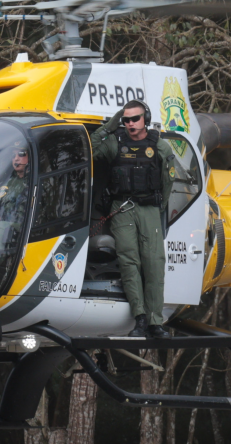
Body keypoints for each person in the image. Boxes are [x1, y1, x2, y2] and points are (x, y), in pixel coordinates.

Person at [91, 100, 174, 338]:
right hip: (122, 208)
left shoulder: (159, 146)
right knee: (130, 262)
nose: (130, 124)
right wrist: (109, 126)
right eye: (126, 120)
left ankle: (155, 322)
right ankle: (139, 318)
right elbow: (91, 149)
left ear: (145, 118)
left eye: (134, 119)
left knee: (154, 263)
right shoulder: (115, 144)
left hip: (149, 209)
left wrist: (160, 206)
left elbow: (169, 180)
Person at [0, 141, 31, 257]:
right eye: (13, 155)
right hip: (2, 226)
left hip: (23, 228)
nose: (16, 159)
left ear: (30, 157)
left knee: (1, 228)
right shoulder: (6, 182)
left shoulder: (35, 182)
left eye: (21, 154)